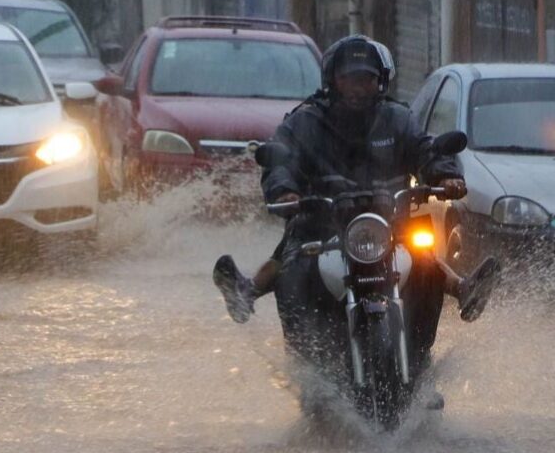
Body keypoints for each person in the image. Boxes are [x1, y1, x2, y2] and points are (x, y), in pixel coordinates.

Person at [213, 35, 498, 343]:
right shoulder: (306, 121)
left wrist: (445, 177)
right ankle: (248, 291)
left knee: (423, 254)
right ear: (333, 80)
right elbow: (281, 159)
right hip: (321, 223)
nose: (358, 87)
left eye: (366, 79)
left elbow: (426, 149)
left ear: (380, 81)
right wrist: (285, 191)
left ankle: (462, 289)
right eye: (349, 79)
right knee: (293, 259)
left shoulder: (397, 118)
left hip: (390, 222)